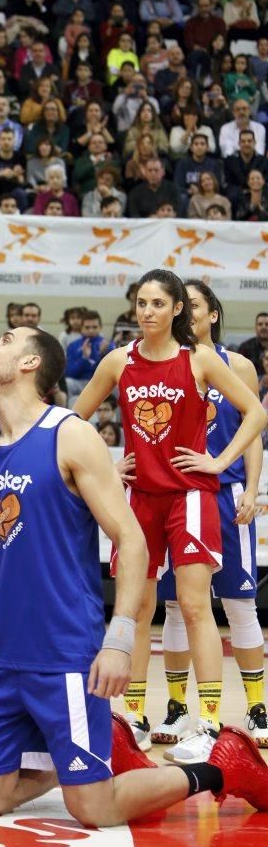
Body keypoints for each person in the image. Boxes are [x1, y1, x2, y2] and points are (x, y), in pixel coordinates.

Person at [0, 318, 268, 825]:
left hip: (65, 653)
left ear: (29, 363)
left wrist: (119, 637)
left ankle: (219, 768)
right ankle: (92, 750)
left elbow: (131, 540)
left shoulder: (70, 435)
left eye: (5, 341)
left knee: (94, 808)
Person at [74, 270, 266, 754]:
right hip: (139, 500)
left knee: (198, 608)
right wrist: (107, 463)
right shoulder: (119, 361)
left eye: (159, 303)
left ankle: (207, 724)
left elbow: (256, 413)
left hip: (191, 496)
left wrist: (221, 461)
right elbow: (73, 420)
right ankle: (134, 715)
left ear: (177, 309)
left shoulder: (198, 358)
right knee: (137, 609)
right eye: (142, 302)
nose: (148, 311)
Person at [152, 280, 268, 751]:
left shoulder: (234, 363)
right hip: (177, 496)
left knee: (239, 604)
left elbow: (253, 430)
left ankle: (257, 708)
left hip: (223, 492)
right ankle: (178, 708)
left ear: (211, 314)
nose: (187, 313)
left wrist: (252, 488)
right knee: (176, 606)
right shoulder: (162, 361)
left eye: (193, 306)